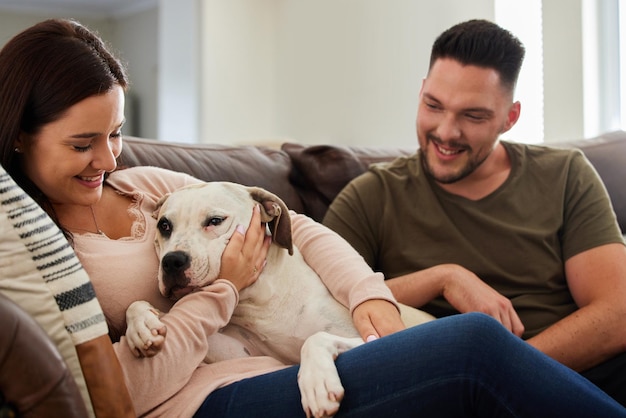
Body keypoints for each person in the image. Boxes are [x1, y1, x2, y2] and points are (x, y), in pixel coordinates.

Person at [1, 18, 625, 418]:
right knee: (472, 346)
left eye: (116, 134)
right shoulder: (34, 240)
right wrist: (223, 288)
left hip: (284, 360)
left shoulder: (149, 188)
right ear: (21, 137)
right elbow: (110, 397)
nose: (109, 159)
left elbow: (302, 237)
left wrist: (365, 295)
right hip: (214, 388)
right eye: (84, 144)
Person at [323, 18, 626, 407]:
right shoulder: (371, 197)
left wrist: (507, 369)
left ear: (510, 117)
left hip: (584, 370)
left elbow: (617, 313)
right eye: (433, 105)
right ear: (421, 93)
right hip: (453, 391)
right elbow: (321, 306)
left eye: (473, 116)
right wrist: (442, 278)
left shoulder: (565, 174)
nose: (446, 132)